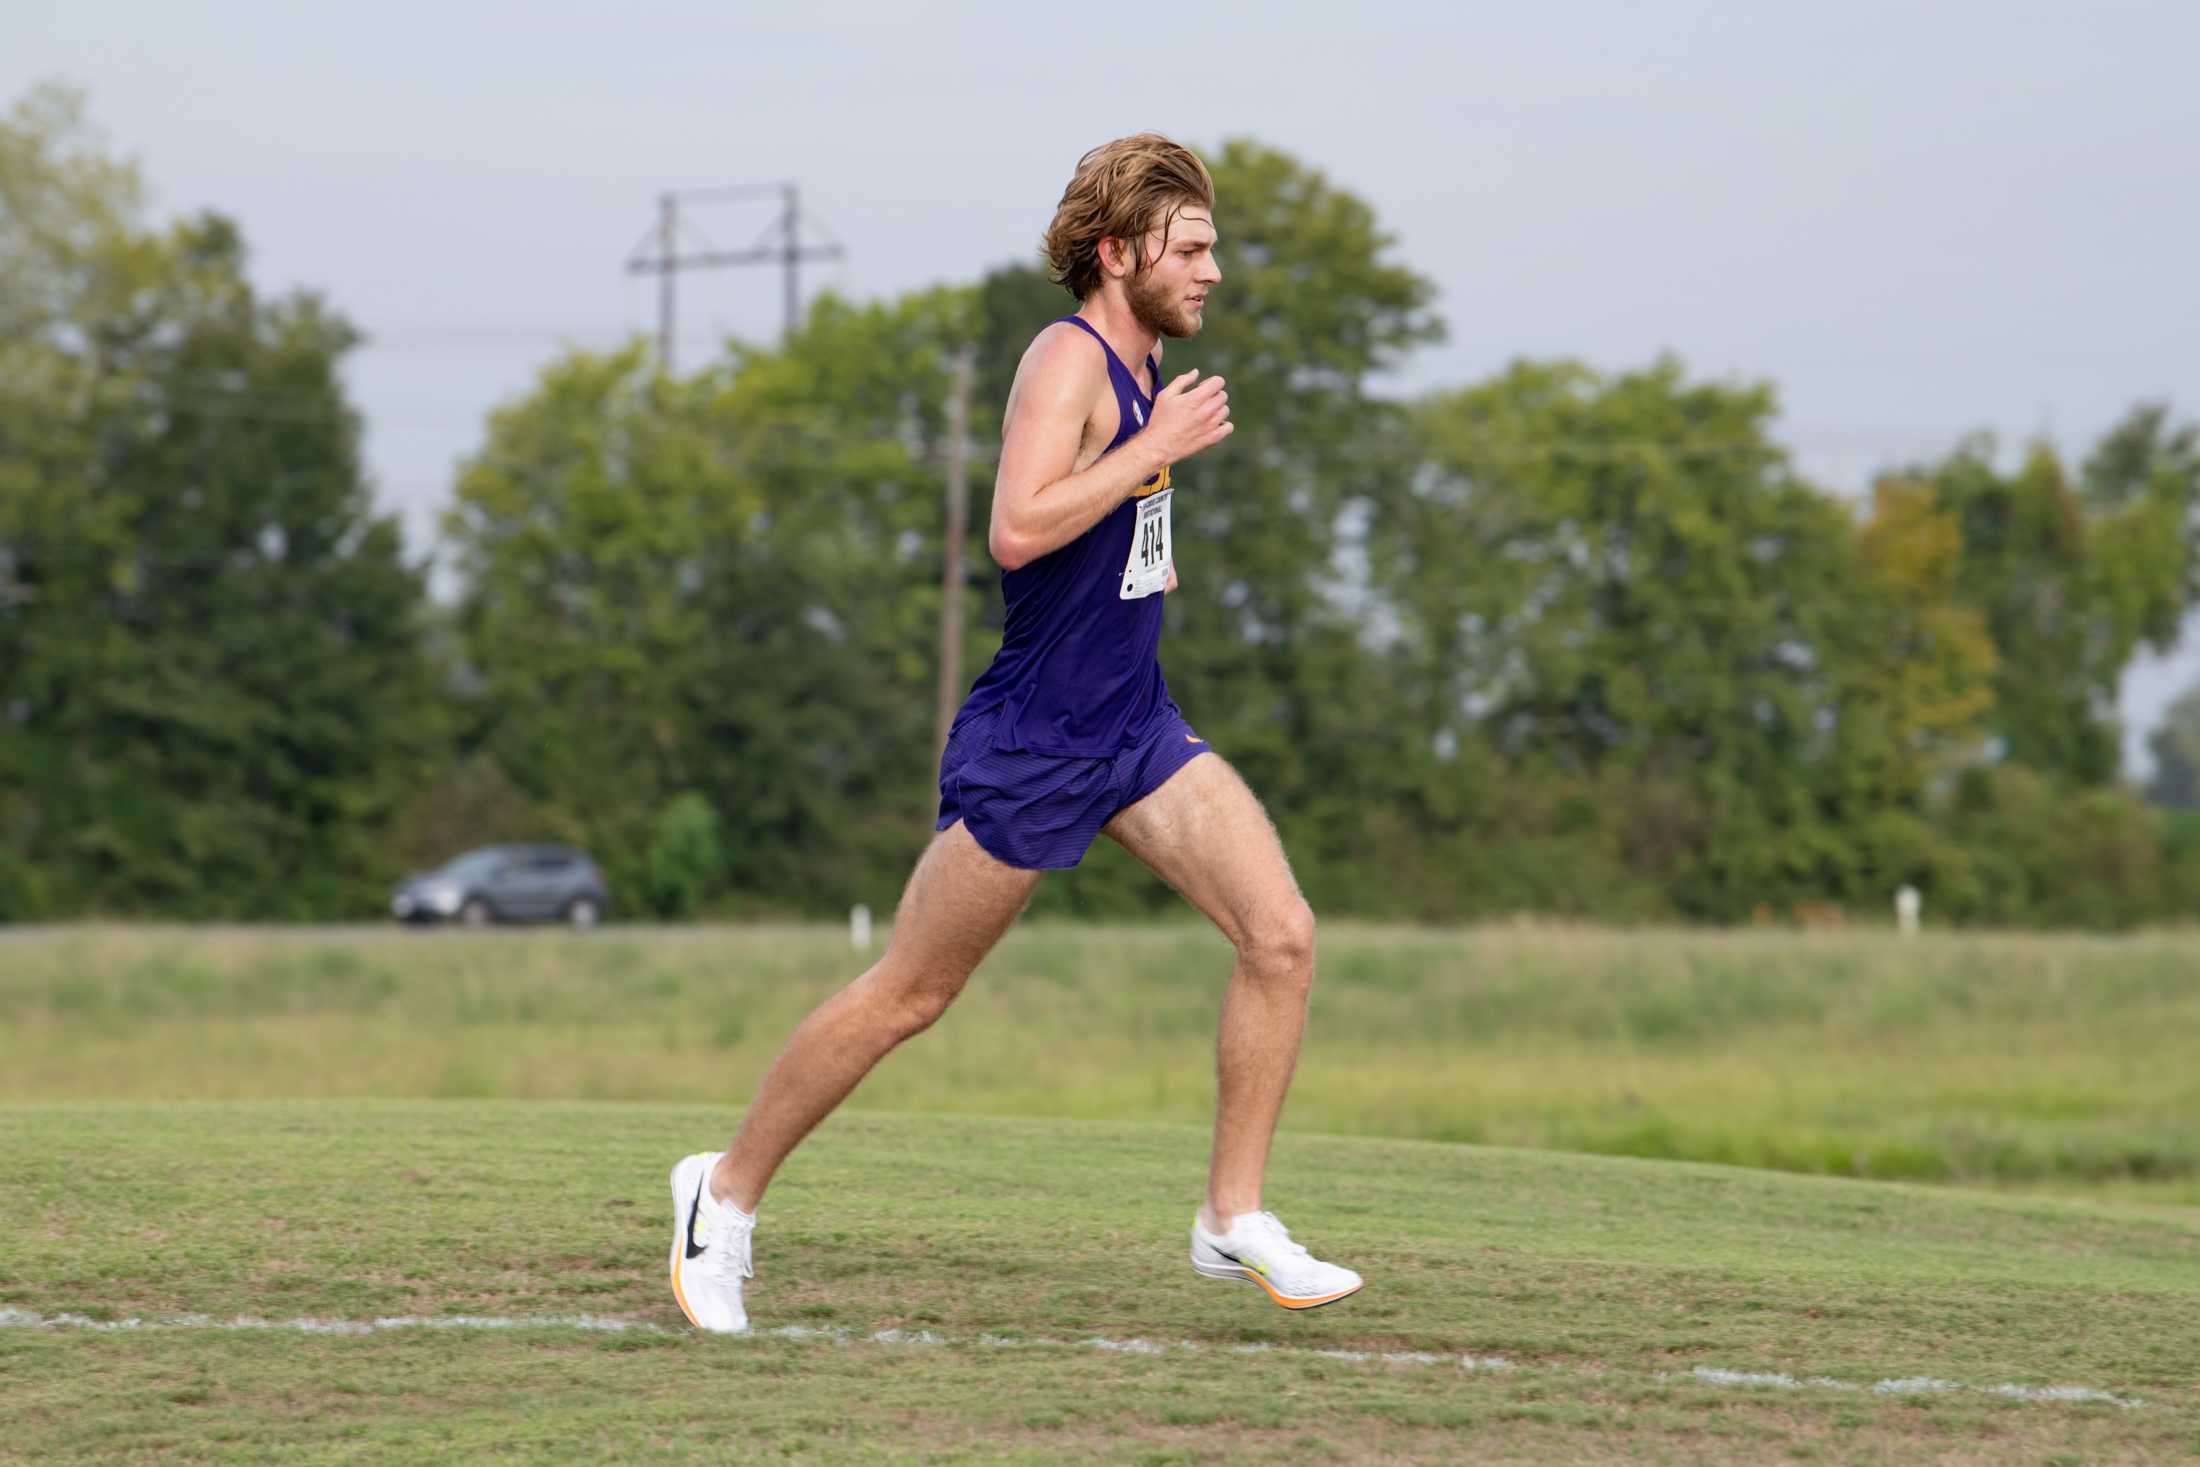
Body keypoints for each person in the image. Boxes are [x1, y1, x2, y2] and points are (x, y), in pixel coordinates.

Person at [669, 133, 1362, 1333]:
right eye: (1189, 249)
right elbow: (1014, 529)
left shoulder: (1147, 373)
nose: (1210, 272)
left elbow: (1105, 536)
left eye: (1212, 249)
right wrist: (1150, 456)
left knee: (1280, 937)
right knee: (909, 995)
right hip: (1036, 741)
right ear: (1116, 252)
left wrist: (1147, 549)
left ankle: (1229, 1219)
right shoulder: (1069, 359)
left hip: (1133, 726)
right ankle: (721, 1198)